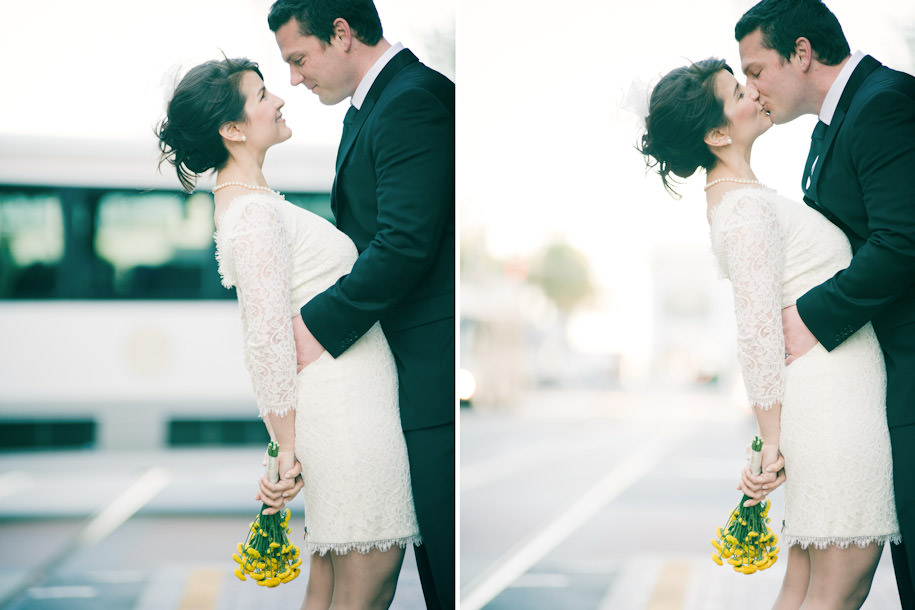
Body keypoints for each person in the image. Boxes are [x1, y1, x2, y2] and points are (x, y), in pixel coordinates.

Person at [156, 56, 421, 610]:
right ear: (232, 129)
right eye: (261, 95)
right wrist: (287, 450)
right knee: (367, 577)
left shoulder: (255, 204)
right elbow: (267, 339)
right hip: (344, 412)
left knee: (332, 585)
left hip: (345, 404)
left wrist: (287, 445)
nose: (279, 99)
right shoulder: (252, 215)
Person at [640, 57, 899, 609]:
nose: (754, 91)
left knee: (806, 583)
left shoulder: (739, 199)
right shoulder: (746, 211)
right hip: (831, 404)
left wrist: (772, 442)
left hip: (828, 394)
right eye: (738, 90)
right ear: (715, 133)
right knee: (842, 579)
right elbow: (757, 335)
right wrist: (770, 445)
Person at [266, 1, 456, 608]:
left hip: (429, 377)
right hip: (393, 379)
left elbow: (403, 243)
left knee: (445, 579)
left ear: (341, 34)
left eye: (299, 59)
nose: (295, 79)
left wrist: (314, 327)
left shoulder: (411, 101)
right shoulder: (373, 107)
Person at [735, 0, 915, 606]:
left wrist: (809, 316)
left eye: (757, 70)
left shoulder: (884, 105)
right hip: (870, 377)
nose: (753, 89)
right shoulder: (831, 129)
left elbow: (902, 241)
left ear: (802, 53)